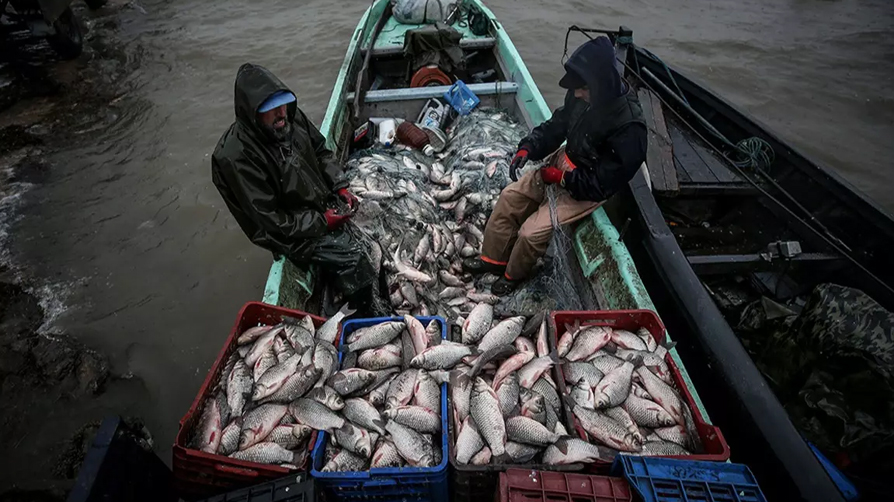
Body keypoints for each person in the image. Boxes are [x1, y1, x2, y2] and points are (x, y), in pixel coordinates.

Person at [463, 37, 647, 294]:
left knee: (531, 233)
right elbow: (558, 125)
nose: (576, 94)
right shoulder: (582, 95)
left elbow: (602, 184)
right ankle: (492, 261)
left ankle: (512, 275)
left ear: (599, 85)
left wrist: (561, 178)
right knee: (509, 197)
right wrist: (529, 147)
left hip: (586, 185)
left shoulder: (630, 127)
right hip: (562, 161)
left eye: (581, 89)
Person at [211, 63, 376, 309]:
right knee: (355, 259)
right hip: (284, 233)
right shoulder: (236, 156)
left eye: (283, 104)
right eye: (271, 110)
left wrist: (339, 185)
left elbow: (321, 151)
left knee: (370, 245)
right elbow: (272, 221)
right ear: (253, 114)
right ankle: (363, 315)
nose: (281, 113)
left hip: (316, 204)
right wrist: (322, 222)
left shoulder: (290, 116)